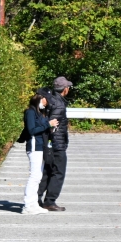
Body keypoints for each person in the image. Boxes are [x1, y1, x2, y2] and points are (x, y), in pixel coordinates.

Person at [37, 76, 72, 211]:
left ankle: (37, 198)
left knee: (47, 171)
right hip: (56, 144)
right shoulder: (58, 104)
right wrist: (56, 143)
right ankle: (50, 201)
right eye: (68, 87)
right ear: (64, 89)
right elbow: (53, 124)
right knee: (58, 172)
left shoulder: (52, 101)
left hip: (51, 144)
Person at [22, 94, 58, 214]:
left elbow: (42, 127)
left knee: (38, 176)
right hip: (34, 146)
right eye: (45, 100)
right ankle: (28, 205)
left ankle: (33, 204)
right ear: (39, 98)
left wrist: (51, 127)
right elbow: (31, 130)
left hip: (41, 146)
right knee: (34, 176)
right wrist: (48, 124)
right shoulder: (30, 112)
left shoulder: (40, 113)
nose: (46, 103)